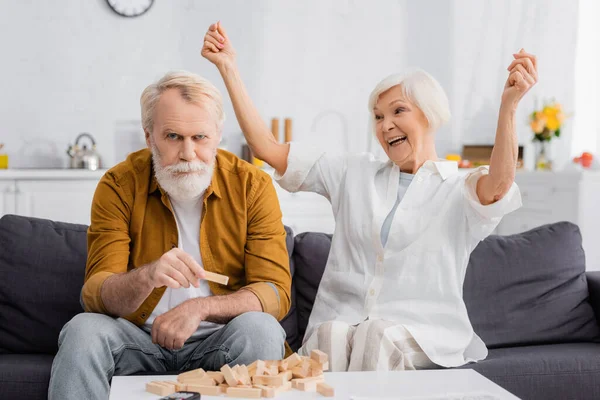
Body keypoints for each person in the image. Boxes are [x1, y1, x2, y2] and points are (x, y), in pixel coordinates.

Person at [201, 21, 537, 371]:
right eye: (378, 116)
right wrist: (228, 68)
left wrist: (509, 106)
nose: (385, 124)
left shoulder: (459, 188)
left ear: (429, 112)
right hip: (346, 325)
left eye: (398, 111)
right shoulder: (353, 173)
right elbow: (266, 148)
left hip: (422, 332)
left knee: (377, 334)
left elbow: (498, 185)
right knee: (329, 332)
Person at [48, 70, 292, 400]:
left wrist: (201, 309)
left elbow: (275, 293)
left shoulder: (252, 186)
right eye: (173, 137)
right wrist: (147, 275)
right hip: (137, 340)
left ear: (218, 134)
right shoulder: (118, 185)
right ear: (149, 137)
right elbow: (94, 292)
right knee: (82, 330)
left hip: (219, 340)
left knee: (261, 329)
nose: (188, 153)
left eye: (200, 138)